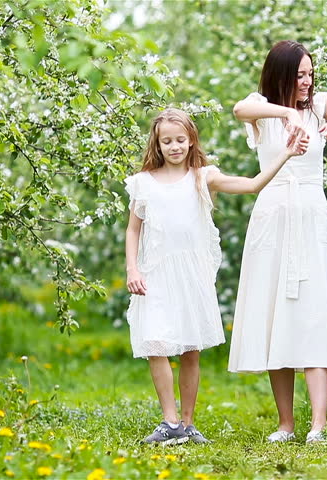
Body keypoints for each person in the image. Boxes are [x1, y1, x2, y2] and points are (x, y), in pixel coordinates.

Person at [227, 40, 327, 444]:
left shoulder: (317, 106)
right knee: (275, 314)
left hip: (310, 215)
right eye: (299, 75)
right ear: (280, 74)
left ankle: (318, 424)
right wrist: (285, 114)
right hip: (273, 215)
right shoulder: (261, 109)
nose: (307, 81)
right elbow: (241, 109)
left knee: (315, 312)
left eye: (311, 74)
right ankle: (285, 424)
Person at [125, 108, 308, 445]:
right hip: (154, 274)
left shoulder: (202, 177)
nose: (175, 146)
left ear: (191, 140)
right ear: (158, 144)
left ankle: (188, 423)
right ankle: (170, 421)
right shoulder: (143, 183)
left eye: (180, 139)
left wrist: (286, 152)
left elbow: (252, 185)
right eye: (167, 141)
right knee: (156, 343)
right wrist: (132, 268)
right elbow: (133, 230)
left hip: (191, 275)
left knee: (190, 348)